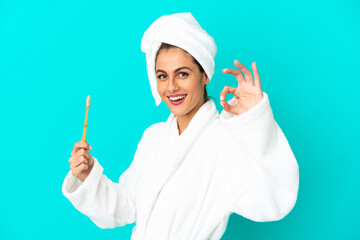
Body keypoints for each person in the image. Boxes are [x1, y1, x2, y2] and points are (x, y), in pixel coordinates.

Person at [62, 12, 299, 240]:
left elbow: (275, 199)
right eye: (162, 76)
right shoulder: (153, 137)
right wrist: (87, 176)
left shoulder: (225, 141)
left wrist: (254, 121)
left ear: (204, 75)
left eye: (182, 74)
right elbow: (127, 206)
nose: (171, 87)